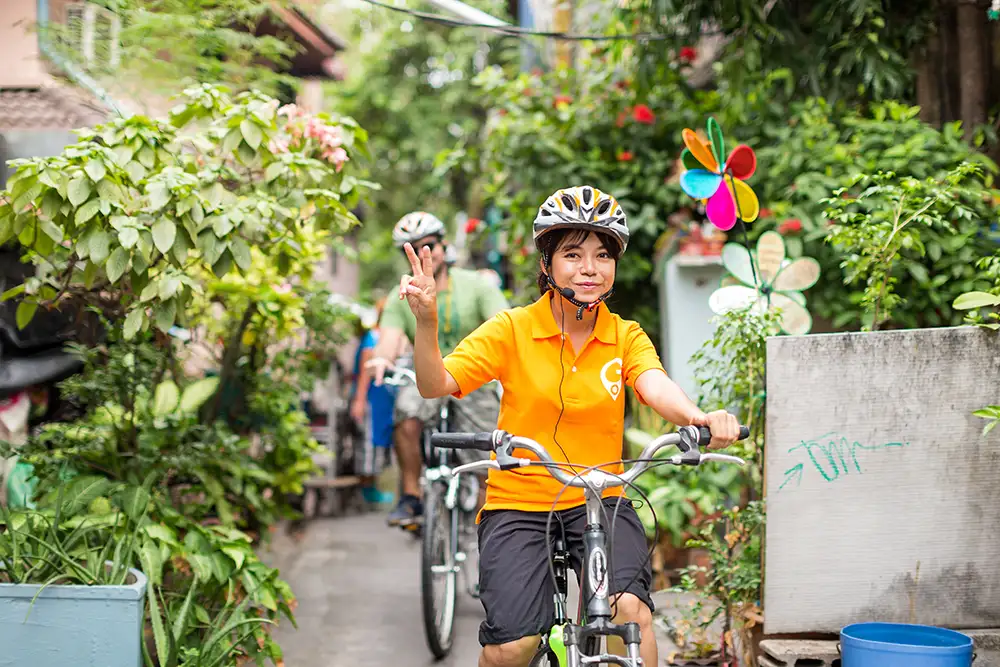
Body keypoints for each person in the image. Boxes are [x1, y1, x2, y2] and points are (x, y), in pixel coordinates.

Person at [395, 186, 742, 667]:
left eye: (603, 255)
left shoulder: (624, 336)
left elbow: (655, 383)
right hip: (518, 501)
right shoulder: (511, 329)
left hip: (604, 496)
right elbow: (435, 385)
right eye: (573, 254)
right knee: (509, 649)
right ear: (546, 265)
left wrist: (698, 418)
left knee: (630, 615)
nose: (590, 268)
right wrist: (427, 322)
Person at [368, 211, 510, 528]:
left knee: (490, 449)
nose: (423, 254)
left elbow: (503, 326)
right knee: (405, 411)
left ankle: (497, 518)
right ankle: (410, 496)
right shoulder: (399, 296)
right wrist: (382, 358)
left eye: (429, 245)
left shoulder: (477, 285)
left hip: (473, 379)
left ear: (444, 245)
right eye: (413, 248)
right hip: (427, 380)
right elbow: (389, 337)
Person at [350, 297, 397, 506]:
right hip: (371, 401)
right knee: (368, 446)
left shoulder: (391, 338)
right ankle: (367, 492)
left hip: (385, 402)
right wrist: (359, 401)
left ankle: (373, 489)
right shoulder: (372, 338)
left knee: (379, 446)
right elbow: (363, 374)